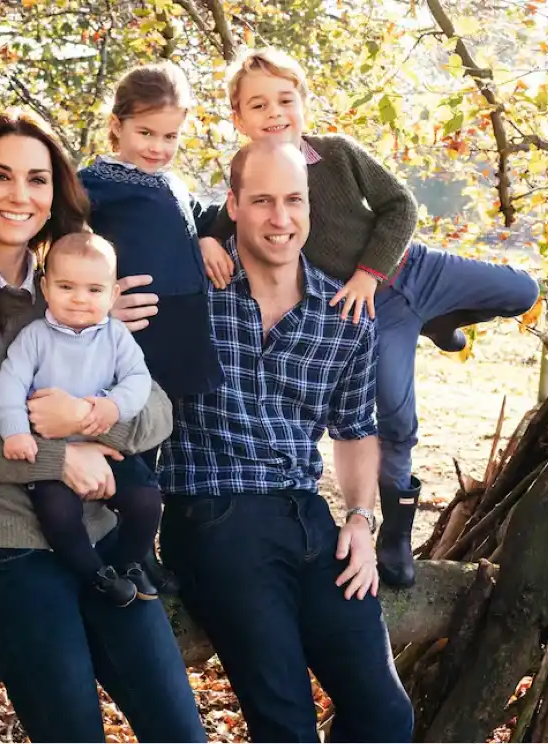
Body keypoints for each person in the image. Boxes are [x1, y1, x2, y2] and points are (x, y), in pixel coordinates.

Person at [0, 110, 206, 743]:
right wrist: (60, 459)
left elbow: (157, 409)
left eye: (37, 179)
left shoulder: (72, 283)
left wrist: (90, 421)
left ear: (56, 194)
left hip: (104, 540)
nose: (20, 195)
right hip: (6, 551)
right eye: (1, 176)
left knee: (180, 732)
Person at [199, 47, 540, 587]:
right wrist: (204, 241)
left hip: (413, 269)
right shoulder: (255, 182)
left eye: (285, 100)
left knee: (523, 289)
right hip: (373, 313)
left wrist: (368, 271)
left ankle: (441, 320)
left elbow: (400, 205)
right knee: (395, 417)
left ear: (303, 103)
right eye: (258, 105)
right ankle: (396, 536)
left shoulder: (337, 153)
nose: (275, 113)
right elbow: (221, 222)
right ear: (238, 118)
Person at [160, 140, 414, 742]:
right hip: (214, 514)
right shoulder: (188, 290)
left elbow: (355, 429)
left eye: (294, 200)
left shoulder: (343, 313)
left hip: (308, 518)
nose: (281, 218)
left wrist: (360, 519)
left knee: (386, 716)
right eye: (263, 201)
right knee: (287, 726)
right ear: (233, 205)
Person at [0, 232, 161, 607]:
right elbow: (10, 383)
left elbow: (138, 380)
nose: (79, 299)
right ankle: (95, 575)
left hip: (103, 448)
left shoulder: (116, 336)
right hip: (52, 455)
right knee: (58, 514)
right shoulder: (34, 338)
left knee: (146, 500)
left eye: (94, 290)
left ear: (112, 295)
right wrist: (15, 432)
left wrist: (113, 406)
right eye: (66, 287)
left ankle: (128, 563)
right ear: (45, 288)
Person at [79, 61, 224, 408]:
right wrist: (96, 305)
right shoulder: (93, 183)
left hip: (183, 337)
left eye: (170, 137)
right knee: (134, 426)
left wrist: (206, 238)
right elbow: (61, 250)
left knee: (175, 427)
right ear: (117, 125)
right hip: (137, 335)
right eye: (146, 133)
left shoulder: (173, 183)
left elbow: (206, 218)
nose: (158, 147)